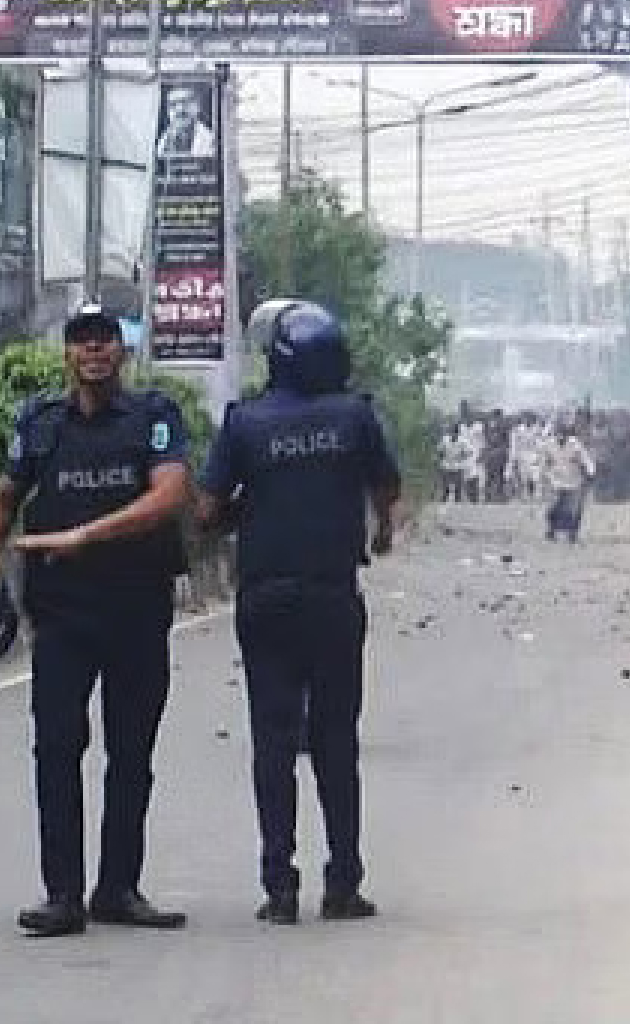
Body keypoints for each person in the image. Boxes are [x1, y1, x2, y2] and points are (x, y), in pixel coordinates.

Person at [0, 306, 194, 938]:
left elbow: (170, 494)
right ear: (67, 355)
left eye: (104, 341)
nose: (93, 351)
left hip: (136, 609)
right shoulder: (40, 425)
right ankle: (61, 893)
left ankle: (118, 887)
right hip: (63, 615)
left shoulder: (153, 418)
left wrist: (87, 534)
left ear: (121, 353)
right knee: (57, 748)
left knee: (131, 753)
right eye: (81, 341)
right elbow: (4, 497)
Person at [195, 300, 401, 924]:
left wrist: (250, 510)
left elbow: (205, 511)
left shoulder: (245, 423)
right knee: (337, 741)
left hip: (266, 600)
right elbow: (387, 487)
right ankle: (343, 883)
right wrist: (379, 525)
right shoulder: (356, 417)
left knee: (273, 743)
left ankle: (279, 887)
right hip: (334, 596)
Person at [544, 422, 594, 543]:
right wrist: (546, 474)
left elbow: (586, 459)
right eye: (558, 434)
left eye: (563, 435)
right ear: (555, 434)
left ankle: (573, 534)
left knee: (574, 509)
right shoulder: (549, 444)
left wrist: (591, 472)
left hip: (574, 480)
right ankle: (551, 530)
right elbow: (544, 461)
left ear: (567, 435)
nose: (561, 437)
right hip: (556, 480)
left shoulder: (575, 444)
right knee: (554, 507)